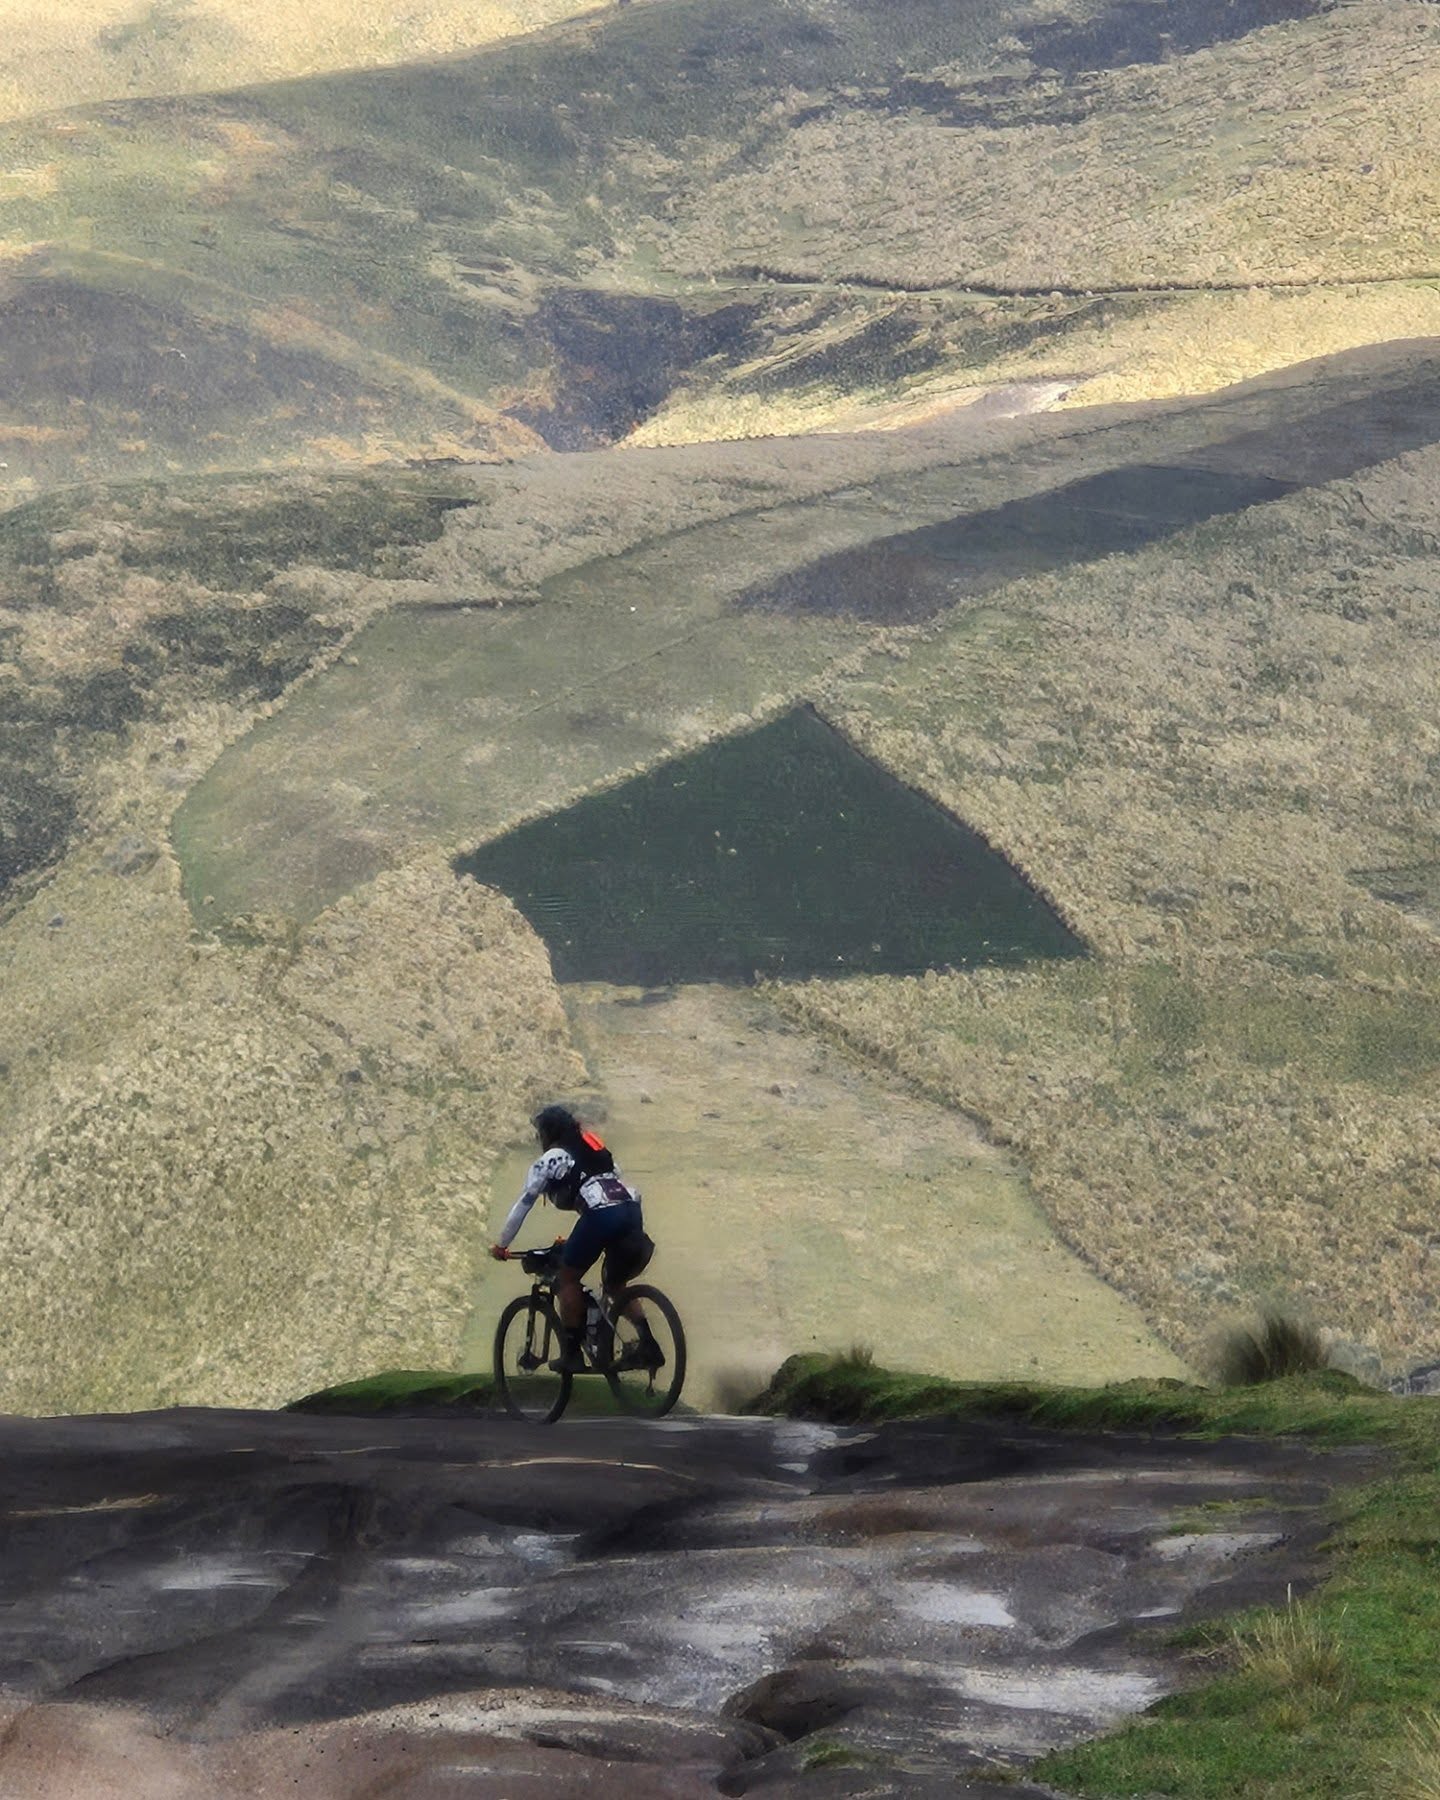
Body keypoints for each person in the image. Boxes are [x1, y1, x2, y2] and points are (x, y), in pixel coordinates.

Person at [490, 1104, 661, 1372]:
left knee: (566, 1278)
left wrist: (502, 1245)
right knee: (615, 1286)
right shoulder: (595, 1148)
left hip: (602, 1215)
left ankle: (572, 1355)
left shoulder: (552, 1158)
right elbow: (609, 1182)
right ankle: (648, 1344)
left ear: (547, 1134)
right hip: (631, 1209)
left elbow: (524, 1203)